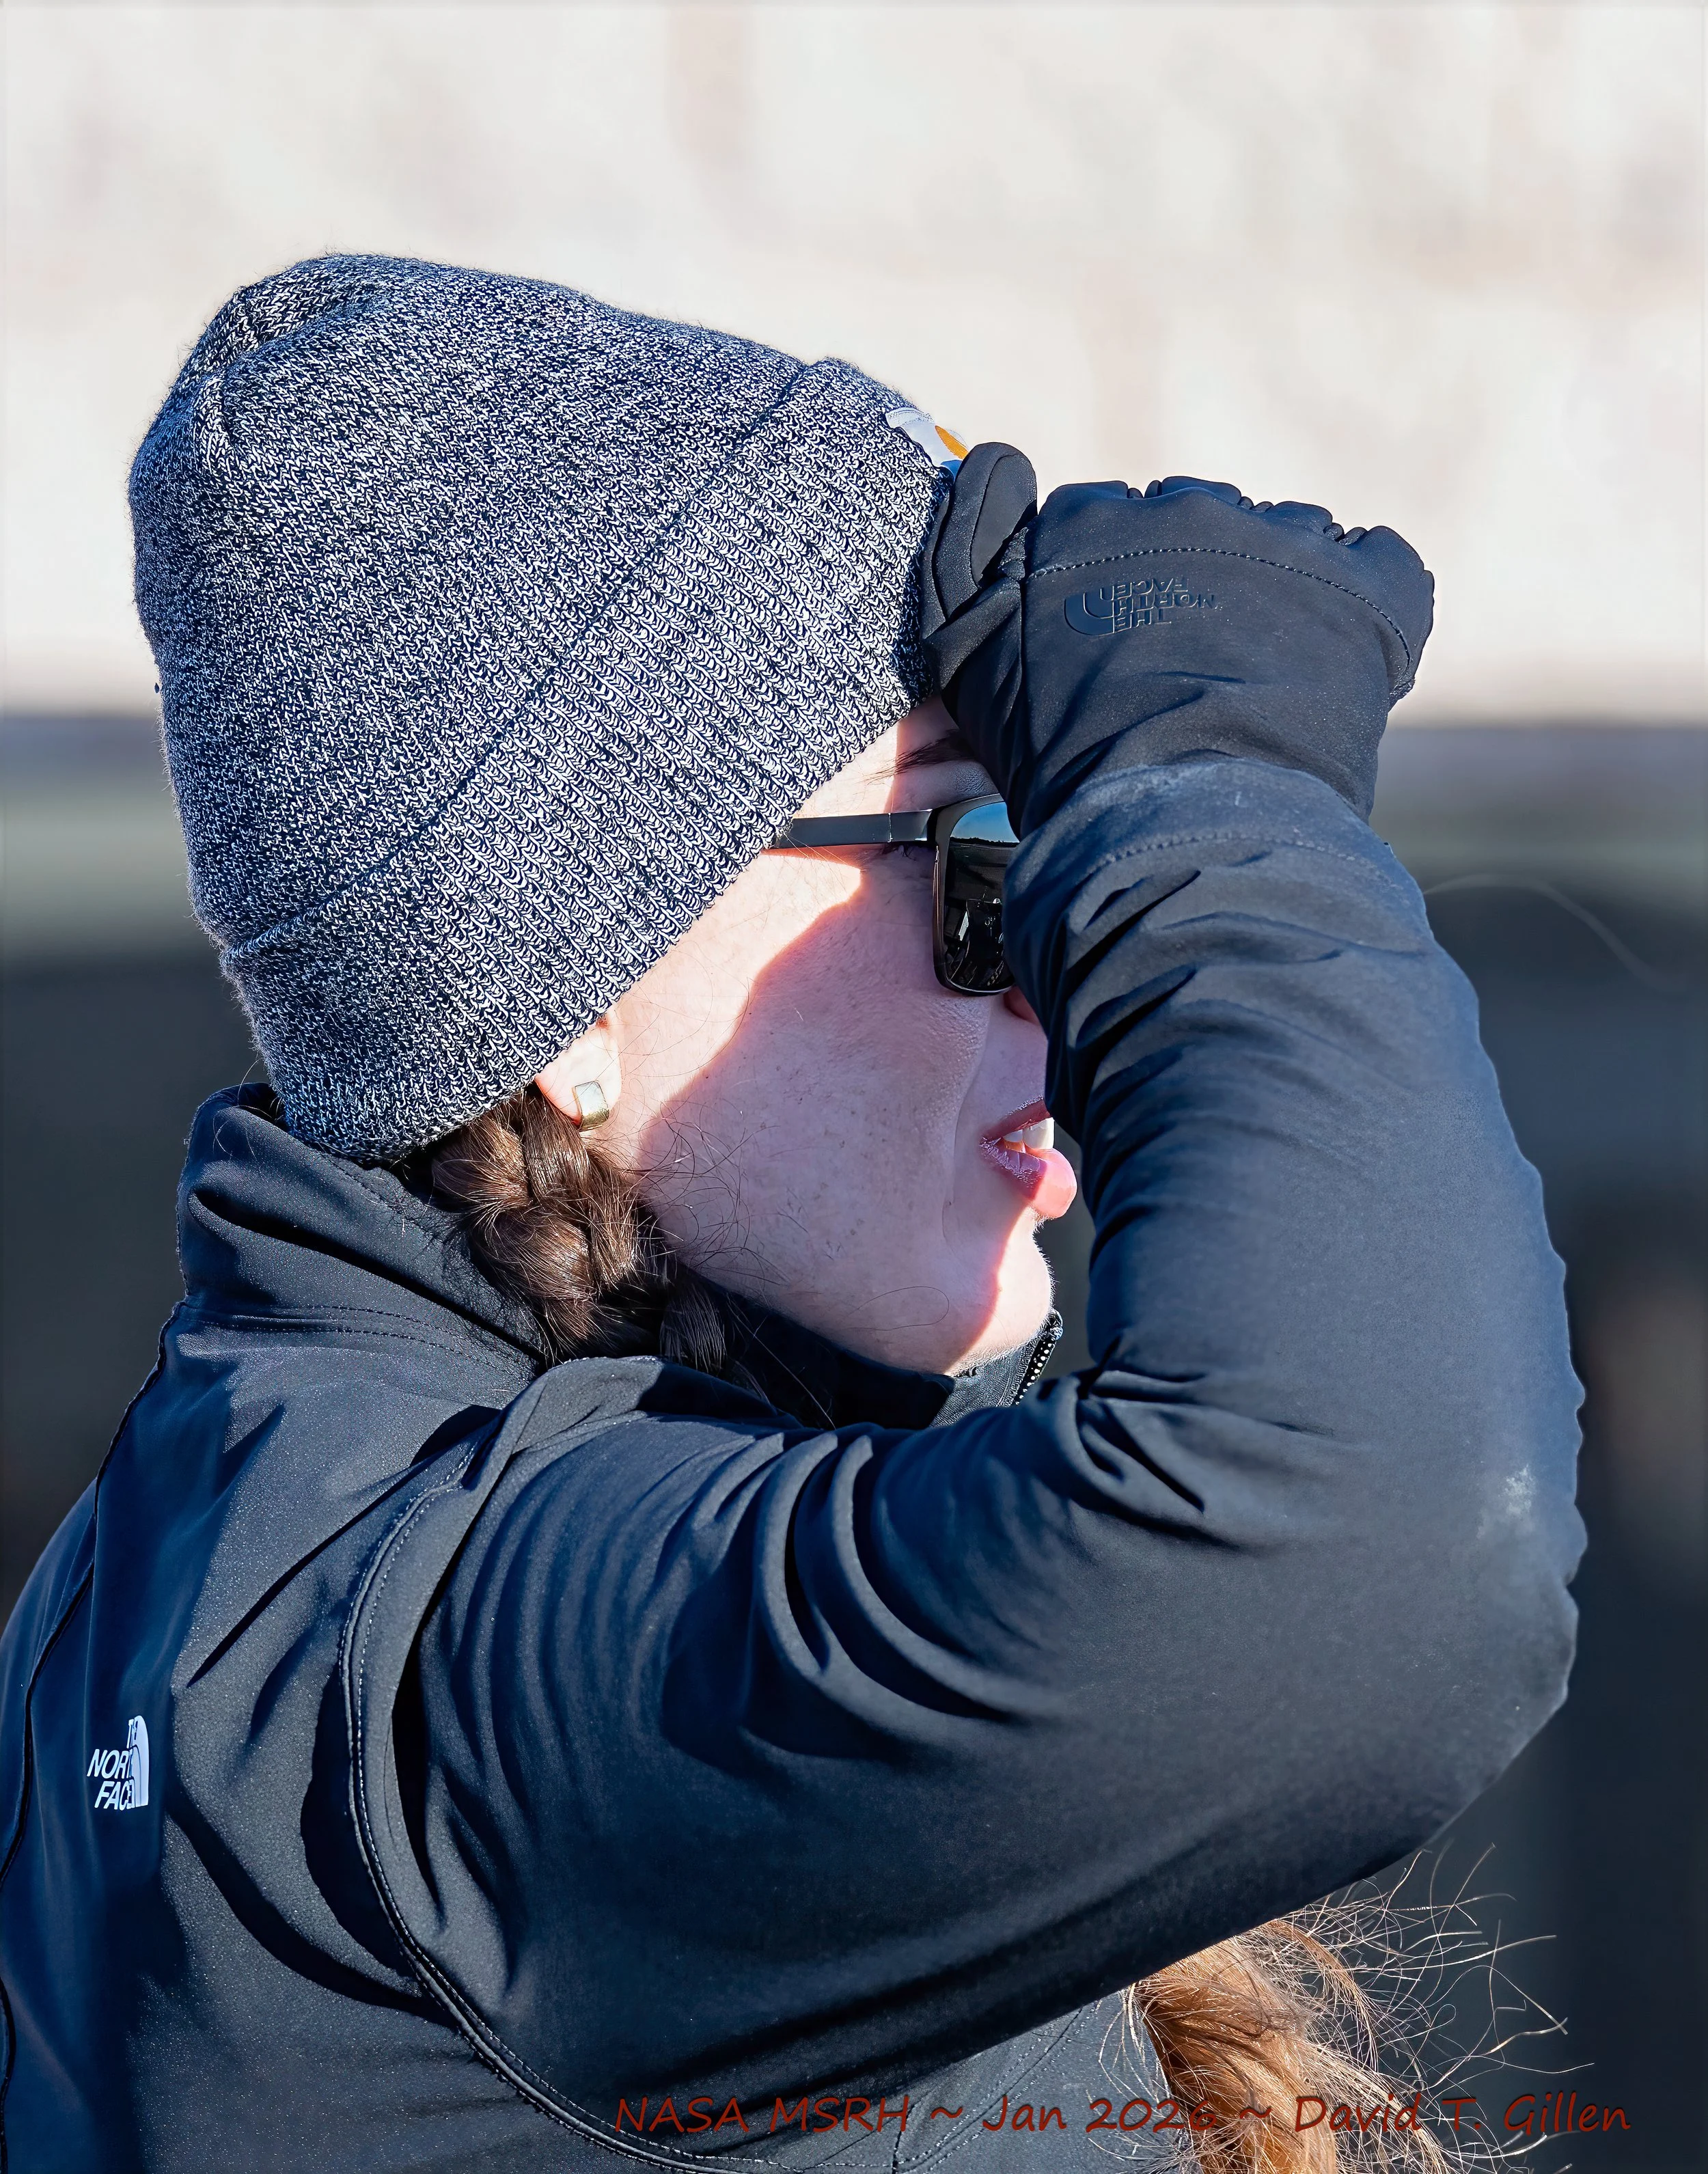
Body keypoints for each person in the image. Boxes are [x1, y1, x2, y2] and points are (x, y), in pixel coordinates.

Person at [0, 256, 1582, 2173]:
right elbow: (1384, 1551)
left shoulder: (240, 1561)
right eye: (982, 860)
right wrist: (1208, 793)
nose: (1059, 983)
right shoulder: (441, 1678)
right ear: (564, 996)